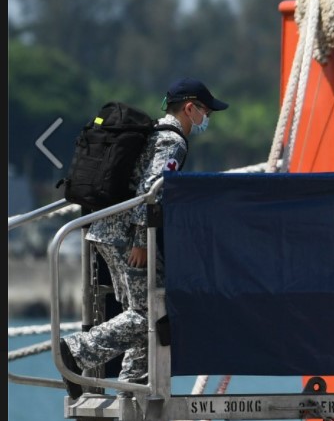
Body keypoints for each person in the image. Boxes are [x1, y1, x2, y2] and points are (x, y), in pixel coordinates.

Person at [60, 79, 228, 400]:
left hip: (106, 229)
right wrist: (142, 240)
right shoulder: (172, 142)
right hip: (129, 237)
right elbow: (151, 189)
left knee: (141, 313)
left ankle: (130, 391)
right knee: (153, 312)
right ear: (189, 108)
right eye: (205, 111)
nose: (207, 119)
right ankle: (76, 352)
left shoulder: (153, 133)